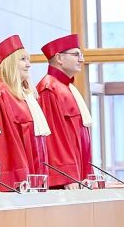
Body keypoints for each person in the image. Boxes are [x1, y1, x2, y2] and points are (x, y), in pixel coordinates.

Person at [0, 35, 50, 191]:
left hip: (32, 177)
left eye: (28, 60)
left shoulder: (25, 96)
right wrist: (19, 180)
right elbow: (2, 146)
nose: (29, 64)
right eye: (23, 59)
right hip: (16, 183)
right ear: (9, 63)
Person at [36, 34, 93, 189]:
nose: (81, 59)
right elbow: (53, 138)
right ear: (59, 57)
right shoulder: (49, 88)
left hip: (77, 173)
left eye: (81, 55)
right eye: (76, 54)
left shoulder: (67, 88)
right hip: (65, 181)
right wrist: (66, 175)